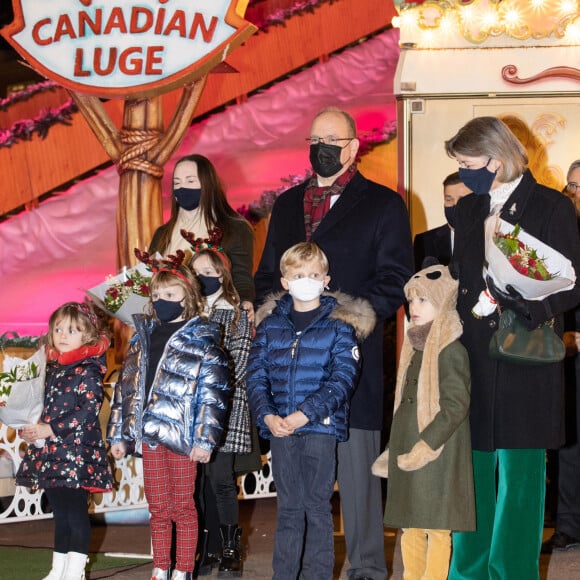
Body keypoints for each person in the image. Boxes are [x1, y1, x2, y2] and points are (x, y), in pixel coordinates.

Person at [254, 106, 413, 580]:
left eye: (331, 139)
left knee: (358, 470)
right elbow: (267, 276)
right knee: (299, 481)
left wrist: (347, 322)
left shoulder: (384, 204)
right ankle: (303, 568)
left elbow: (395, 277)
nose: (320, 148)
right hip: (287, 364)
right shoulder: (286, 204)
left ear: (352, 146)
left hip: (349, 357)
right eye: (314, 139)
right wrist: (271, 317)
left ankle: (365, 566)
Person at [444, 117, 580, 579]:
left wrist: (518, 301)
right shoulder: (466, 210)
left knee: (521, 479)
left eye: (468, 163)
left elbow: (571, 283)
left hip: (526, 356)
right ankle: (468, 570)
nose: (464, 173)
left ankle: (512, 571)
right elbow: (459, 277)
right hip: (473, 358)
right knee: (474, 473)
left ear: (496, 158)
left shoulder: (551, 206)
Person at [247, 242, 376, 579]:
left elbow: (343, 379)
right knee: (288, 508)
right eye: (298, 274)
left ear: (326, 280)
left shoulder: (339, 326)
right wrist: (267, 416)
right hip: (280, 430)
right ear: (285, 281)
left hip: (319, 428)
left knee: (316, 508)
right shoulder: (270, 326)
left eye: (314, 274)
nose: (307, 280)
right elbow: (256, 375)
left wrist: (306, 413)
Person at [107, 254, 231, 580]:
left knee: (183, 508)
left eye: (171, 295)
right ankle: (161, 567)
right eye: (157, 296)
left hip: (182, 438)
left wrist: (205, 440)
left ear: (188, 298)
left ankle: (183, 570)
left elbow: (212, 397)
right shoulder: (142, 337)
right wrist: (119, 435)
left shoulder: (202, 342)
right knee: (158, 508)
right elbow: (126, 388)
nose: (162, 302)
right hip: (148, 436)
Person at [372, 263, 474, 580]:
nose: (413, 307)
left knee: (437, 527)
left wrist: (427, 444)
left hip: (436, 450)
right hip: (407, 444)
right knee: (411, 524)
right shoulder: (414, 348)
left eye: (423, 301)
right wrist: (394, 447)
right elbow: (403, 403)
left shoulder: (450, 350)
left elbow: (456, 405)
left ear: (442, 304)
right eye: (411, 300)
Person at [16, 301, 113, 580]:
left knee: (75, 512)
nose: (62, 335)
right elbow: (38, 407)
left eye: (72, 330)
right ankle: (58, 570)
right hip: (50, 452)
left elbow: (87, 410)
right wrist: (30, 426)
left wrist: (51, 428)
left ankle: (76, 571)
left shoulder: (90, 368)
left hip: (77, 452)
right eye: (58, 328)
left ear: (88, 336)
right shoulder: (50, 368)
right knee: (59, 513)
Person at [188, 239, 254, 577]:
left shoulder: (238, 312)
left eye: (209, 272)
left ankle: (230, 549)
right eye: (196, 273)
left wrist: (207, 386)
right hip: (191, 412)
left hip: (226, 409)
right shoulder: (189, 315)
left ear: (222, 275)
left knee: (221, 479)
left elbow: (240, 362)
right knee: (196, 482)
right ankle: (207, 546)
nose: (202, 278)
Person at [149, 153, 255, 317]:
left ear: (208, 184)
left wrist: (245, 302)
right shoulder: (163, 234)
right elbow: (151, 279)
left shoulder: (234, 228)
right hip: (169, 321)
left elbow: (241, 277)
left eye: (190, 181)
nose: (182, 187)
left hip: (215, 317)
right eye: (177, 183)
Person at [542, 159, 580, 553]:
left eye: (579, 188)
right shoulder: (557, 235)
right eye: (570, 187)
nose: (573, 194)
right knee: (567, 442)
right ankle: (568, 524)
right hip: (565, 351)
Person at [413, 172, 471, 270]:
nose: (455, 205)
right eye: (449, 200)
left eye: (462, 200)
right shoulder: (424, 241)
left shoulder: (490, 236)